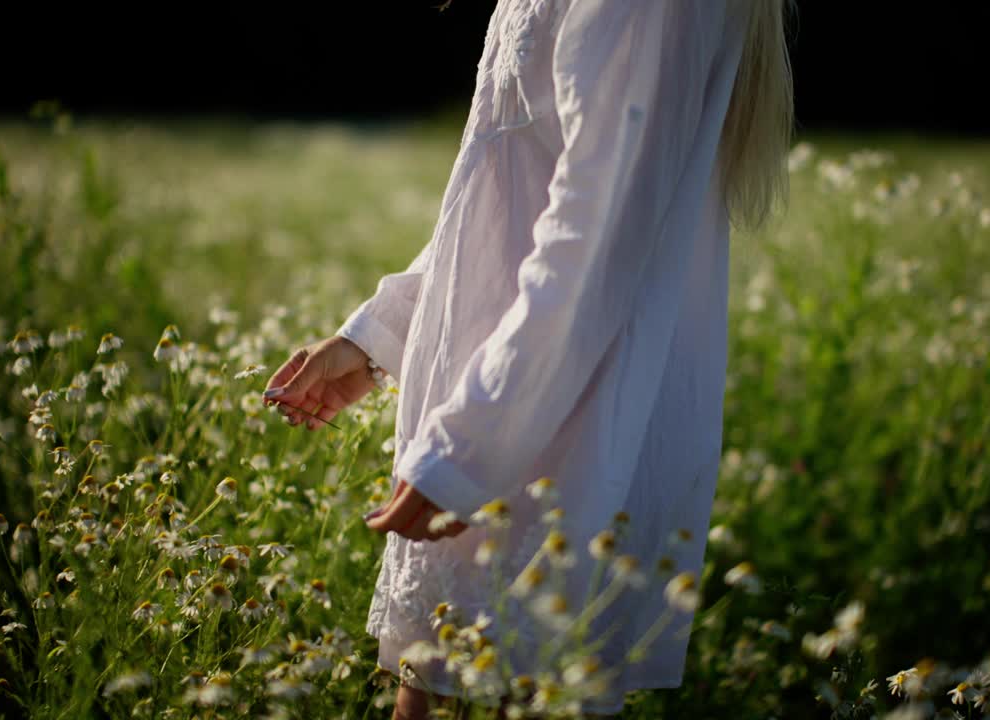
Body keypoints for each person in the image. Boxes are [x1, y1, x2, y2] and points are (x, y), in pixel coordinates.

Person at [263, 1, 793, 717]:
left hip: (561, 441)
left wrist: (463, 451)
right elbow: (503, 202)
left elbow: (596, 240)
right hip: (497, 416)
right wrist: (378, 338)